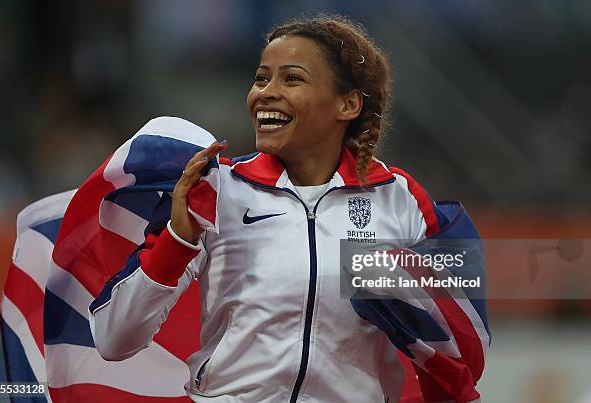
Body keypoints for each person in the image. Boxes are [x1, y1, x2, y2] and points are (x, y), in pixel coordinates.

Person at [89, 15, 488, 402]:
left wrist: (400, 284)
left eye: (292, 78)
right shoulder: (214, 188)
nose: (265, 92)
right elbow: (112, 340)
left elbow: (468, 346)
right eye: (261, 78)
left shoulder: (401, 199)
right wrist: (178, 240)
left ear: (347, 105)